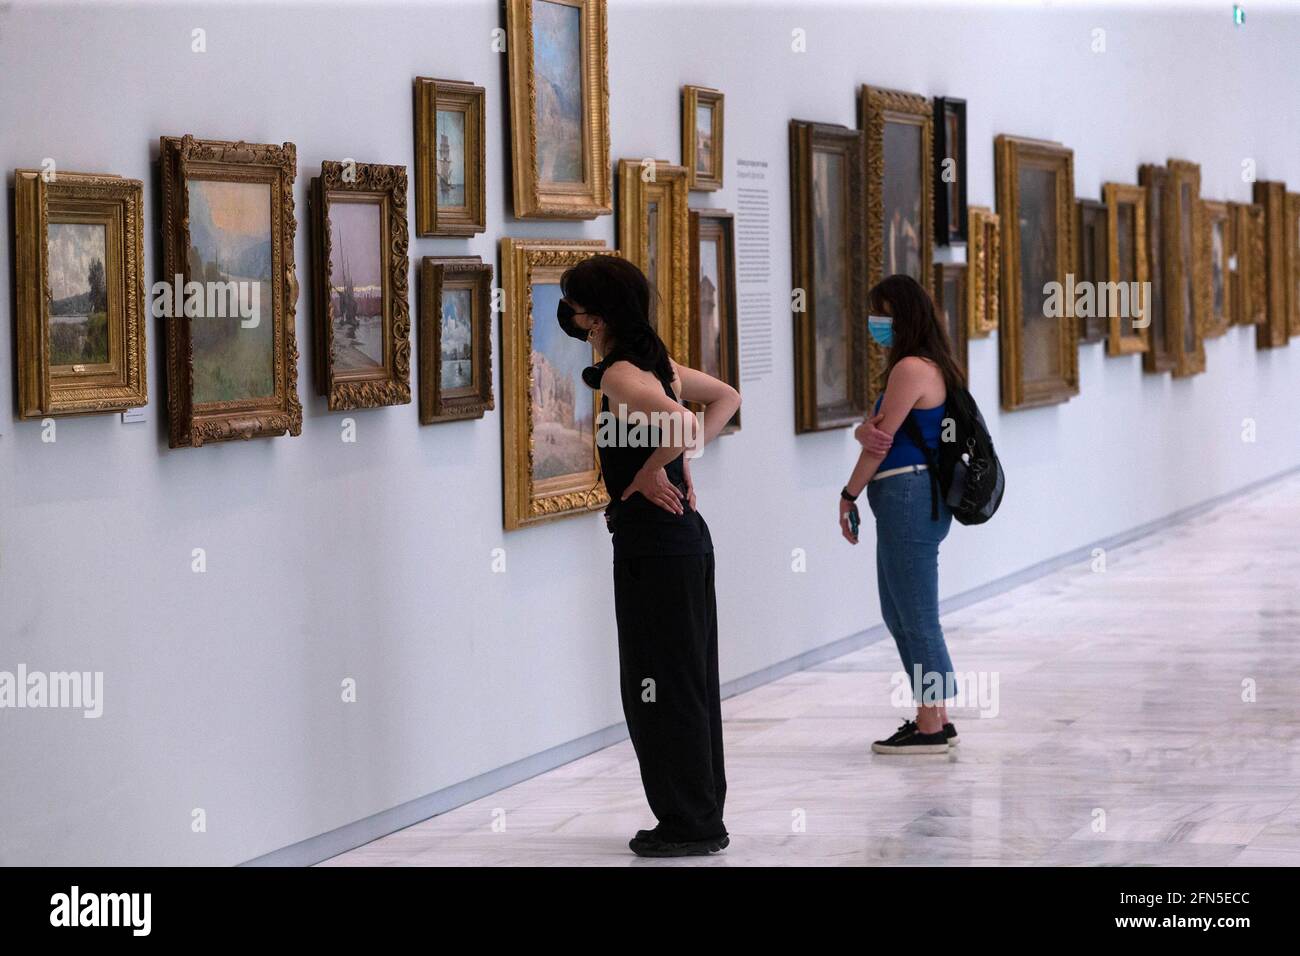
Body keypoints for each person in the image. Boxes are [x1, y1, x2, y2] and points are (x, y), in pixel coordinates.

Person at [557, 254, 741, 856]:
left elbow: (685, 428)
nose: (572, 316)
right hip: (682, 538)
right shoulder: (658, 364)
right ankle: (699, 815)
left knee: (655, 684)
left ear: (597, 316)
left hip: (654, 544)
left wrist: (648, 472)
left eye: (576, 304)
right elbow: (727, 399)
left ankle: (688, 822)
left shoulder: (619, 375)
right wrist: (676, 462)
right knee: (687, 680)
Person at [838, 274, 963, 755]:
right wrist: (862, 435)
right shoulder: (929, 365)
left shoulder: (910, 367)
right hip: (909, 496)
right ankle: (935, 717)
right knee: (899, 610)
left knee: (914, 612)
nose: (876, 323)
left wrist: (848, 493)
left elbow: (880, 442)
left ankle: (931, 724)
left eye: (883, 313)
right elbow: (877, 434)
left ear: (904, 316)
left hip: (908, 496)